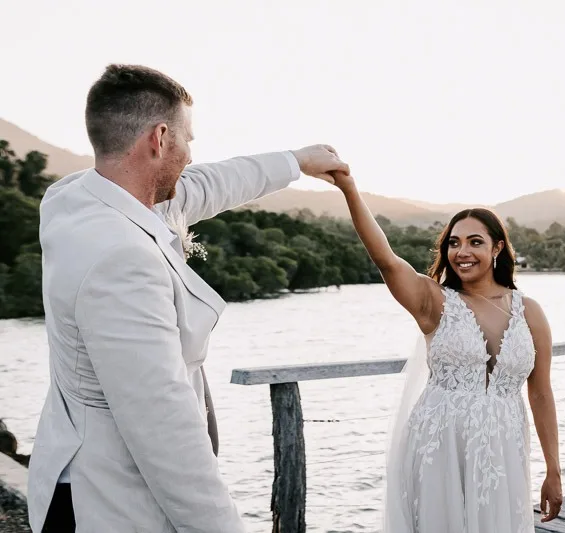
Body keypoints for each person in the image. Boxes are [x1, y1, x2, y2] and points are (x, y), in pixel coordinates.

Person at [28, 64, 349, 533]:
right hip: (112, 504)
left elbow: (204, 186)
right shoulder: (121, 258)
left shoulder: (73, 198)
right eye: (188, 139)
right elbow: (161, 423)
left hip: (71, 477)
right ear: (160, 138)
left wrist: (294, 161)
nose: (191, 154)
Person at [323, 170, 563, 532]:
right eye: (453, 243)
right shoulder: (433, 301)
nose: (462, 252)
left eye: (475, 242)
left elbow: (541, 391)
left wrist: (553, 469)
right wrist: (349, 189)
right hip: (439, 445)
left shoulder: (530, 312)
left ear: (497, 248)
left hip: (502, 449)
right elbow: (387, 260)